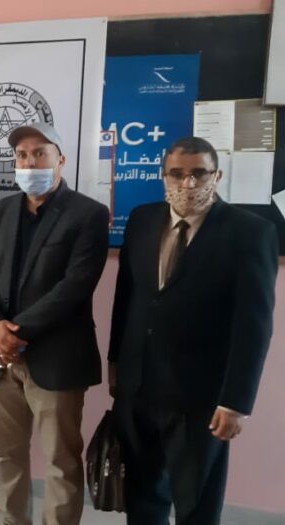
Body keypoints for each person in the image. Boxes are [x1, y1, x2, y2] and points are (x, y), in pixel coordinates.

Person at [108, 136, 277, 525]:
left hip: (201, 399)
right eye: (177, 174)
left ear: (217, 176)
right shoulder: (142, 220)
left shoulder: (250, 233)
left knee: (196, 505)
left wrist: (236, 402)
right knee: (142, 498)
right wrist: (115, 362)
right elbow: (126, 297)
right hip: (138, 388)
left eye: (199, 173)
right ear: (163, 176)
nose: (188, 183)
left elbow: (254, 327)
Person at [0, 122, 109, 524]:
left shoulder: (88, 214)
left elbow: (76, 285)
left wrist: (15, 333)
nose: (30, 162)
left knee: (61, 461)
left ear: (60, 159)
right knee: (6, 455)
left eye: (39, 153)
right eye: (22, 155)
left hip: (56, 357)